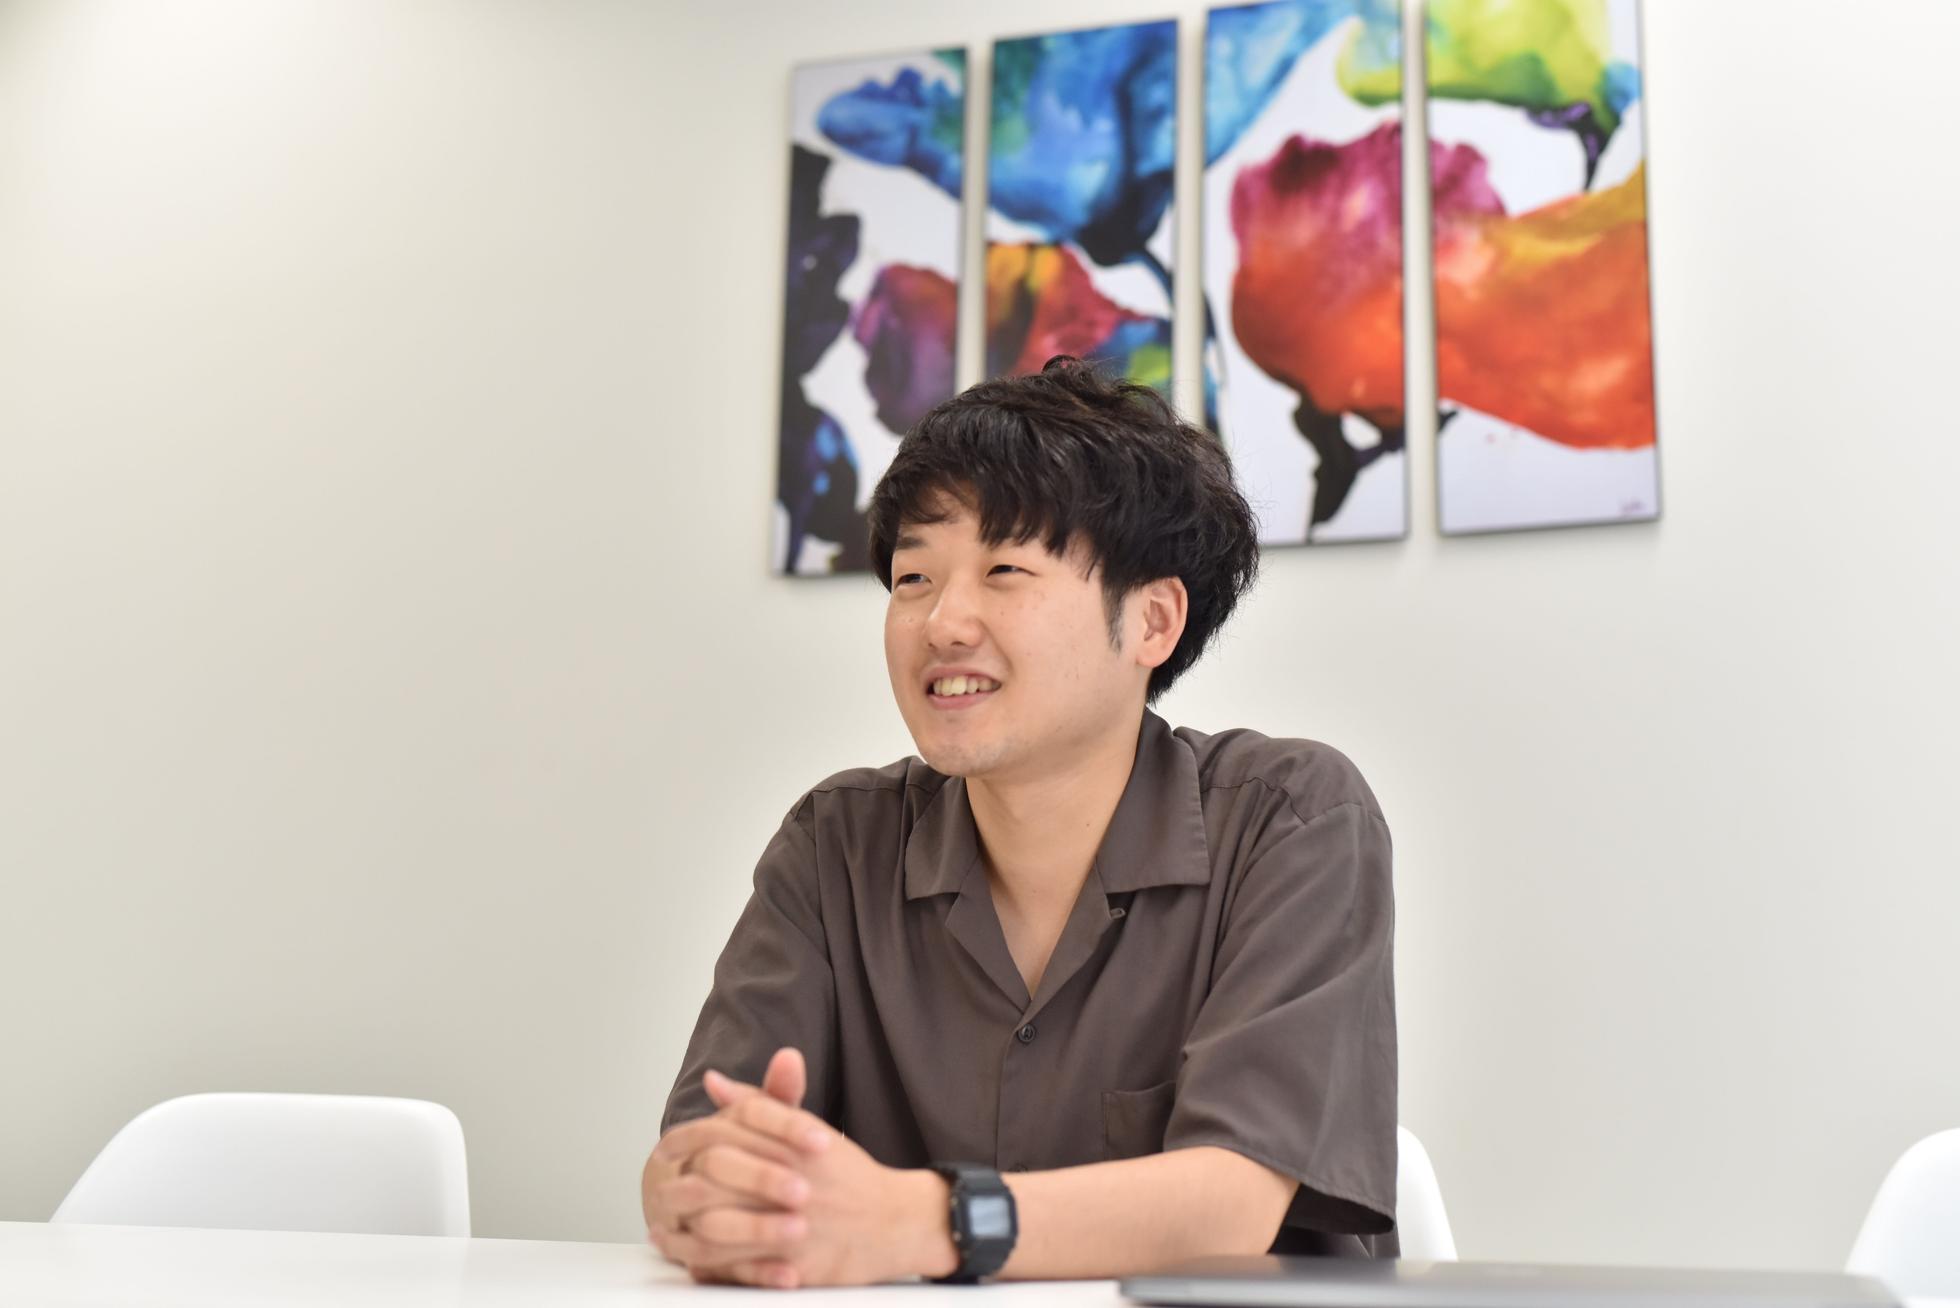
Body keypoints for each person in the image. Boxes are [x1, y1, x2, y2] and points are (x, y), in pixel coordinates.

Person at [641, 358, 1397, 1289]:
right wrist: (707, 1189)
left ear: (1153, 622)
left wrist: (917, 1222)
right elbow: (695, 1164)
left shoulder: (1293, 821)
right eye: (913, 577)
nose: (943, 622)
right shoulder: (835, 844)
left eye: (1004, 570)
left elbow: (1231, 1206)